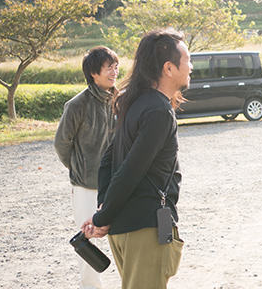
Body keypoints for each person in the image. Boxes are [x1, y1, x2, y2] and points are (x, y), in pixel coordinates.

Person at [81, 29, 191, 289]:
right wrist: (101, 216)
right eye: (187, 60)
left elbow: (108, 161)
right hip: (145, 229)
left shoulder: (135, 101)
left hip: (124, 228)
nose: (191, 66)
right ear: (169, 68)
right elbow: (130, 170)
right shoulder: (159, 111)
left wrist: (104, 212)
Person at [54, 46, 119, 289]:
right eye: (109, 67)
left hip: (117, 184)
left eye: (116, 66)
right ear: (93, 72)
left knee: (121, 239)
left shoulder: (120, 100)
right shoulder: (77, 104)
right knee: (87, 244)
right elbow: (62, 143)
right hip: (86, 187)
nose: (115, 71)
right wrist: (77, 169)